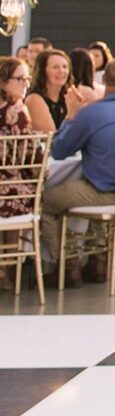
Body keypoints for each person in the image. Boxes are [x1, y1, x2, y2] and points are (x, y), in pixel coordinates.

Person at [42, 57, 115, 286]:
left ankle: (67, 264)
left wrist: (71, 116)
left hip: (109, 193)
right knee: (94, 180)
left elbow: (59, 151)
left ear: (104, 79)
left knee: (44, 201)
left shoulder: (93, 113)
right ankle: (98, 260)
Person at [0, 56, 37, 289]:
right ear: (3, 82)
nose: (25, 83)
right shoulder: (16, 110)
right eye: (20, 79)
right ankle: (10, 268)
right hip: (9, 196)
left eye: (27, 78)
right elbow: (30, 156)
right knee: (34, 189)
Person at [25, 48, 75, 134]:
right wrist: (72, 114)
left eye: (65, 67)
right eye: (55, 67)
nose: (61, 71)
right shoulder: (34, 99)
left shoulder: (67, 97)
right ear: (43, 71)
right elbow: (51, 139)